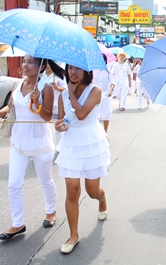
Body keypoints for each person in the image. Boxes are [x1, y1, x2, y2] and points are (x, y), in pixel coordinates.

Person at [0, 54, 57, 240]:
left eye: (30, 62)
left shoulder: (46, 88)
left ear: (41, 67)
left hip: (40, 141)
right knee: (14, 185)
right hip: (18, 142)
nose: (25, 65)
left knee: (45, 181)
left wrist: (36, 103)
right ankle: (17, 224)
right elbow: (10, 107)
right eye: (24, 61)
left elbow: (47, 117)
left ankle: (50, 211)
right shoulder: (17, 84)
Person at [55, 64, 110, 254]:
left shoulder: (95, 91)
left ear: (87, 71)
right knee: (72, 191)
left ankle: (102, 199)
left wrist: (70, 93)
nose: (73, 72)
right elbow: (61, 120)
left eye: (78, 68)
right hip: (71, 144)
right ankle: (73, 234)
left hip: (91, 142)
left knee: (92, 190)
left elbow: (81, 113)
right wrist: (59, 126)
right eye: (70, 68)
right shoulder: (62, 95)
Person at [38, 59, 67, 145]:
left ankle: (60, 148)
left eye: (48, 64)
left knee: (57, 128)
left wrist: (57, 87)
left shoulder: (58, 76)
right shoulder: (40, 76)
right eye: (45, 64)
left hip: (57, 106)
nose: (47, 66)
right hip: (44, 106)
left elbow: (66, 89)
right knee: (43, 127)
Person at [92, 54, 115, 133]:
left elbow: (112, 82)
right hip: (95, 95)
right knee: (95, 115)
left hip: (105, 94)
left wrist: (110, 90)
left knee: (106, 115)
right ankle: (97, 133)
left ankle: (105, 132)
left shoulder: (108, 71)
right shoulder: (93, 71)